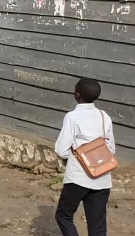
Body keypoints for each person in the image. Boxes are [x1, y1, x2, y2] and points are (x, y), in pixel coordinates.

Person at [53, 78, 116, 236]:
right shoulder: (104, 116)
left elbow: (61, 150)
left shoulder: (73, 117)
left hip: (78, 177)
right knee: (97, 226)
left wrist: (74, 157)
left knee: (64, 215)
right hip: (102, 177)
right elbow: (111, 149)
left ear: (77, 94)